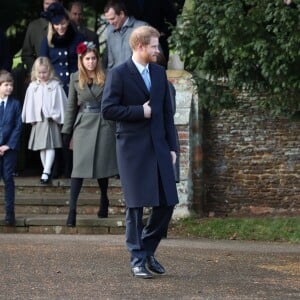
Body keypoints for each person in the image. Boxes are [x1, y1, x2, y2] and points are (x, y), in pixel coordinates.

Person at [102, 26, 179, 279]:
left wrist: (172, 148)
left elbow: (168, 114)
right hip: (132, 149)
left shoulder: (159, 73)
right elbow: (109, 110)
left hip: (159, 147)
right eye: (155, 46)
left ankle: (146, 251)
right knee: (135, 207)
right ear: (140, 47)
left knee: (167, 202)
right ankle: (137, 259)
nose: (158, 51)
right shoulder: (118, 74)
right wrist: (139, 111)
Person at [61, 41, 118, 227]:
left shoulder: (108, 77)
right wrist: (66, 131)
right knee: (77, 170)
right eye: (87, 59)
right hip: (83, 124)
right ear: (81, 60)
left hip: (104, 123)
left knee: (102, 168)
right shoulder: (74, 78)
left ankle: (104, 199)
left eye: (94, 58)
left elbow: (115, 102)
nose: (91, 62)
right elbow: (71, 107)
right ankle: (72, 211)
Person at [40, 2, 84, 178]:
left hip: (72, 88)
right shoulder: (47, 41)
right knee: (54, 129)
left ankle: (71, 169)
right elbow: (42, 65)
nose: (60, 27)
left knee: (71, 129)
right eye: (56, 24)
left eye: (63, 23)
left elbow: (83, 66)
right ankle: (54, 169)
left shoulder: (78, 38)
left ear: (68, 20)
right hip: (53, 90)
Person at [21, 57, 67, 184]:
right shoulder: (32, 87)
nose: (42, 75)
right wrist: (31, 118)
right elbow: (29, 103)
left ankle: (46, 172)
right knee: (42, 147)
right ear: (35, 72)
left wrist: (56, 115)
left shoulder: (55, 85)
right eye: (39, 73)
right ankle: (46, 171)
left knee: (50, 145)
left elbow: (61, 102)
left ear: (49, 71)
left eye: (44, 72)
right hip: (38, 120)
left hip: (51, 119)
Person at [0, 70, 22, 225]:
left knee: (8, 179)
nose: (9, 88)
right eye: (6, 85)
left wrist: (8, 145)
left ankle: (9, 214)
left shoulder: (15, 104)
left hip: (10, 149)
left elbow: (18, 126)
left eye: (11, 85)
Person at [103, 0, 147, 70]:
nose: (110, 23)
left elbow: (154, 56)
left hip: (137, 78)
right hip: (117, 78)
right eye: (108, 20)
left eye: (112, 19)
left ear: (122, 14)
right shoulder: (110, 32)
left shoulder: (141, 28)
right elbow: (110, 64)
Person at [21, 0, 61, 72]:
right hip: (40, 76)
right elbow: (27, 54)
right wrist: (36, 71)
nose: (49, 7)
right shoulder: (34, 26)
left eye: (53, 4)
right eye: (46, 3)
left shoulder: (68, 25)